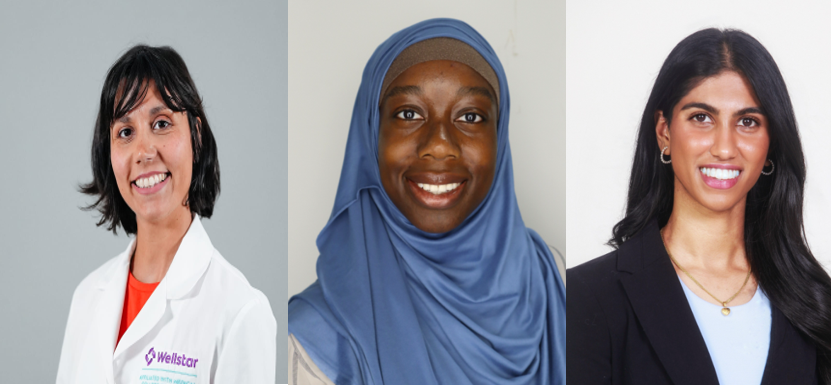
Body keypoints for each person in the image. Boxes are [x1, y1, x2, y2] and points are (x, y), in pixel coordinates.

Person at [287, 18, 566, 385]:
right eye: (408, 114)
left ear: (499, 136)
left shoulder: (556, 279)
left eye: (470, 116)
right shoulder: (315, 338)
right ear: (371, 134)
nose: (439, 144)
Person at [567, 28, 831, 385]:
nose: (724, 147)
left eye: (748, 122)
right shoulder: (586, 296)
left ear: (771, 143)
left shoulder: (816, 301)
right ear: (664, 132)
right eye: (701, 118)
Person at [57, 45, 276, 383]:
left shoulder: (240, 311)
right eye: (125, 132)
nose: (144, 152)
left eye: (161, 124)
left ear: (196, 136)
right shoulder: (86, 297)